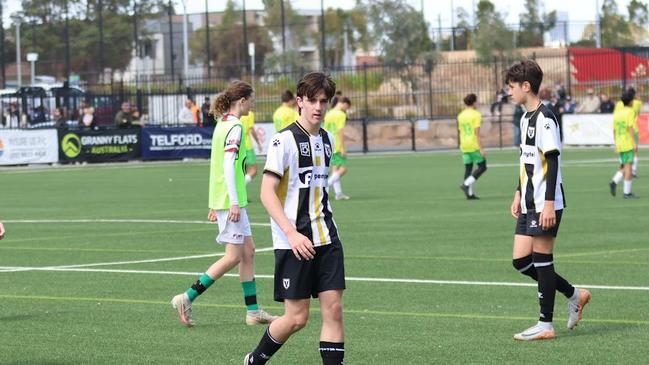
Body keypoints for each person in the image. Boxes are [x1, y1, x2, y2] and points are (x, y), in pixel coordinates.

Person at [244, 72, 346, 365]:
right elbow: (266, 193)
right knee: (297, 318)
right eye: (311, 100)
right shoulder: (283, 140)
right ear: (299, 101)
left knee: (334, 310)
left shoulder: (327, 140)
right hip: (294, 242)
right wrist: (291, 233)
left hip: (327, 237)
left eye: (323, 101)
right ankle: (255, 360)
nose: (318, 107)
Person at [171, 81, 276, 327]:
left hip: (226, 199)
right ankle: (186, 297)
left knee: (248, 252)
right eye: (252, 99)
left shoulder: (223, 124)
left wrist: (217, 202)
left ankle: (253, 311)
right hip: (231, 201)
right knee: (233, 256)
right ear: (242, 101)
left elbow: (218, 165)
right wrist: (233, 203)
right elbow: (228, 165)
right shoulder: (236, 126)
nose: (254, 103)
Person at [504, 60, 591, 341]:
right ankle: (574, 294)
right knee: (521, 261)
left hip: (545, 202)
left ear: (526, 87)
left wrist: (550, 203)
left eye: (512, 87)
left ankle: (545, 325)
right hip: (529, 202)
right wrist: (518, 191)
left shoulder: (545, 117)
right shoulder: (524, 117)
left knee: (542, 260)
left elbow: (552, 161)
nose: (508, 92)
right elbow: (527, 161)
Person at [609, 90, 638, 199]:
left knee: (625, 165)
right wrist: (634, 143)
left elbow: (614, 130)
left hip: (620, 143)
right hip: (627, 142)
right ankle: (627, 193)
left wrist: (616, 143)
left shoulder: (617, 113)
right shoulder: (630, 112)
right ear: (630, 101)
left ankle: (614, 181)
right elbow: (630, 128)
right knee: (629, 168)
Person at [458, 93, 487, 200]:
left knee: (468, 168)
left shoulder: (460, 115)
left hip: (464, 144)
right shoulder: (476, 114)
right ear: (474, 102)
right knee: (482, 167)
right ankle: (466, 184)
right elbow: (477, 133)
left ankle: (469, 194)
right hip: (473, 144)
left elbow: (461, 130)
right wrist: (481, 148)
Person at [324, 96, 351, 200]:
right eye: (347, 107)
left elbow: (326, 129)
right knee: (343, 169)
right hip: (338, 146)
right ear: (344, 103)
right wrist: (343, 148)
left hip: (329, 145)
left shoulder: (329, 113)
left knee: (335, 169)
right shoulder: (340, 115)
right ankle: (324, 187)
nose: (346, 110)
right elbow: (340, 131)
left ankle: (338, 193)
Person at [240, 110, 263, 185]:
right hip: (247, 146)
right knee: (254, 170)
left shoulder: (238, 113)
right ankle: (240, 186)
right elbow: (252, 130)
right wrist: (258, 143)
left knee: (243, 171)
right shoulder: (249, 113)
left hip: (238, 145)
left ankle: (240, 192)